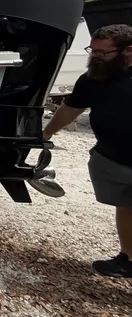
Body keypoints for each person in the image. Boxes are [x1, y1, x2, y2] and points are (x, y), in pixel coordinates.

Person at [43, 23, 132, 278]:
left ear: (128, 51)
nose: (95, 57)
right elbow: (71, 109)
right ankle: (128, 259)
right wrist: (46, 134)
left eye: (103, 53)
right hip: (113, 158)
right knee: (126, 206)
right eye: (92, 50)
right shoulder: (93, 78)